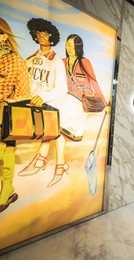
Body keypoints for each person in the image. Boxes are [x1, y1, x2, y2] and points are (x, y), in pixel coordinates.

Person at [18, 18, 68, 188]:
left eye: (45, 33)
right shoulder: (29, 59)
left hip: (49, 103)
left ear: (52, 37)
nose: (41, 36)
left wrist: (43, 97)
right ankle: (52, 163)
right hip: (29, 102)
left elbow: (62, 88)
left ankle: (51, 164)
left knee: (54, 131)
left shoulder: (56, 61)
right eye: (38, 33)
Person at [0, 17, 31, 212]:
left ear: (4, 36)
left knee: (5, 157)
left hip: (4, 116)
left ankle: (6, 193)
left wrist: (4, 102)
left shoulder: (16, 61)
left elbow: (24, 93)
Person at [61, 34, 108, 141]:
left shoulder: (85, 62)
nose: (71, 49)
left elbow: (93, 81)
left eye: (74, 46)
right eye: (68, 45)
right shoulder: (62, 62)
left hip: (82, 99)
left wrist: (103, 102)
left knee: (69, 130)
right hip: (67, 97)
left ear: (79, 47)